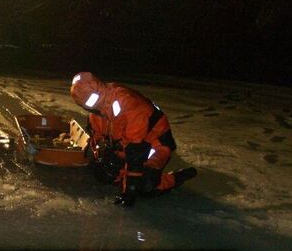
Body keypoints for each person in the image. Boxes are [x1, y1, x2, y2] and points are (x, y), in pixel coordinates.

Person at [70, 72, 197, 206]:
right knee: (103, 174)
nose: (92, 105)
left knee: (144, 186)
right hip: (127, 147)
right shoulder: (95, 114)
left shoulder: (129, 104)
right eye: (87, 104)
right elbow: (97, 139)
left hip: (154, 145)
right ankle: (124, 177)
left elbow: (136, 153)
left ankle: (174, 179)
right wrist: (99, 157)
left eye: (92, 99)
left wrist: (129, 191)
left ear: (99, 87)